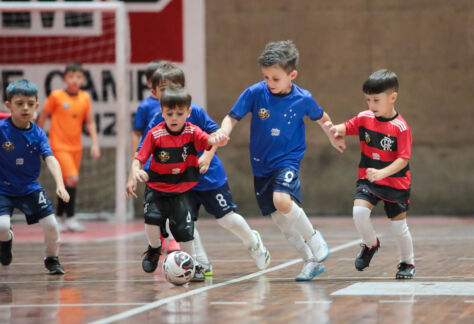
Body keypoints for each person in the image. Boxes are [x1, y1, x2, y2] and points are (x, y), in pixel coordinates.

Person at [218, 40, 345, 281]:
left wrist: (332, 136)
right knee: (281, 221)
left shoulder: (303, 99)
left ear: (292, 75)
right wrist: (224, 131)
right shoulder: (256, 93)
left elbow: (322, 117)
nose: (270, 83)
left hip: (288, 160)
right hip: (261, 164)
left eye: (275, 79)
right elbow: (231, 117)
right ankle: (310, 261)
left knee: (282, 201)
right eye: (266, 77)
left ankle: (315, 238)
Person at [129, 63, 271, 277]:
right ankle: (199, 263)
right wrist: (135, 175)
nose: (170, 94)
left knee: (226, 218)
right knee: (186, 225)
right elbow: (144, 152)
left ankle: (253, 242)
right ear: (155, 93)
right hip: (181, 181)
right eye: (164, 89)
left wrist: (207, 155)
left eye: (174, 87)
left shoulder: (194, 112)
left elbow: (215, 135)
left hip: (208, 176)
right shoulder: (158, 121)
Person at [126, 86, 228, 280]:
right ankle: (155, 248)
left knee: (186, 231)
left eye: (179, 113)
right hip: (156, 186)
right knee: (151, 220)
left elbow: (209, 140)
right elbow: (139, 157)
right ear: (162, 112)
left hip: (182, 189)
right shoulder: (155, 134)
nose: (174, 118)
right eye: (169, 113)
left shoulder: (193, 132)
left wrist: (219, 139)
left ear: (188, 113)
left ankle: (194, 265)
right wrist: (137, 170)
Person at [325, 69, 415, 279]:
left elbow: (403, 159)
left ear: (392, 97)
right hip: (369, 179)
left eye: (376, 100)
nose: (371, 105)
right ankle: (371, 243)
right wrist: (330, 129)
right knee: (359, 213)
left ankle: (407, 263)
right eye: (368, 100)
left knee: (399, 227)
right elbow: (344, 128)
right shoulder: (365, 117)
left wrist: (383, 173)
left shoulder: (400, 128)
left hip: (395, 183)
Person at [0, 79, 70, 274]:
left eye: (30, 104)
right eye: (19, 103)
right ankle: (5, 242)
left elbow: (51, 159)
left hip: (29, 187)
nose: (25, 108)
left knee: (51, 225)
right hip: (3, 188)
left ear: (37, 106)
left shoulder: (39, 134)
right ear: (9, 105)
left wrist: (60, 184)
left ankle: (52, 258)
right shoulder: (1, 130)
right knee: (2, 227)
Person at [37, 62, 100, 232]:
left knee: (66, 182)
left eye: (78, 77)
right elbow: (43, 117)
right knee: (73, 179)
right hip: (58, 145)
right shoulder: (56, 96)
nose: (74, 80)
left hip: (76, 148)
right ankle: (70, 217)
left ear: (83, 79)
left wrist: (95, 143)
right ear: (65, 78)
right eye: (71, 76)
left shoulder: (84, 98)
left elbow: (90, 122)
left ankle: (59, 217)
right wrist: (37, 138)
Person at [131, 60, 180, 254]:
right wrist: (136, 161)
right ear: (152, 85)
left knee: (176, 201)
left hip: (175, 162)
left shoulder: (180, 105)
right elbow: (137, 133)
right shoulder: (147, 107)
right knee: (155, 204)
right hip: (153, 162)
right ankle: (157, 235)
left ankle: (175, 239)